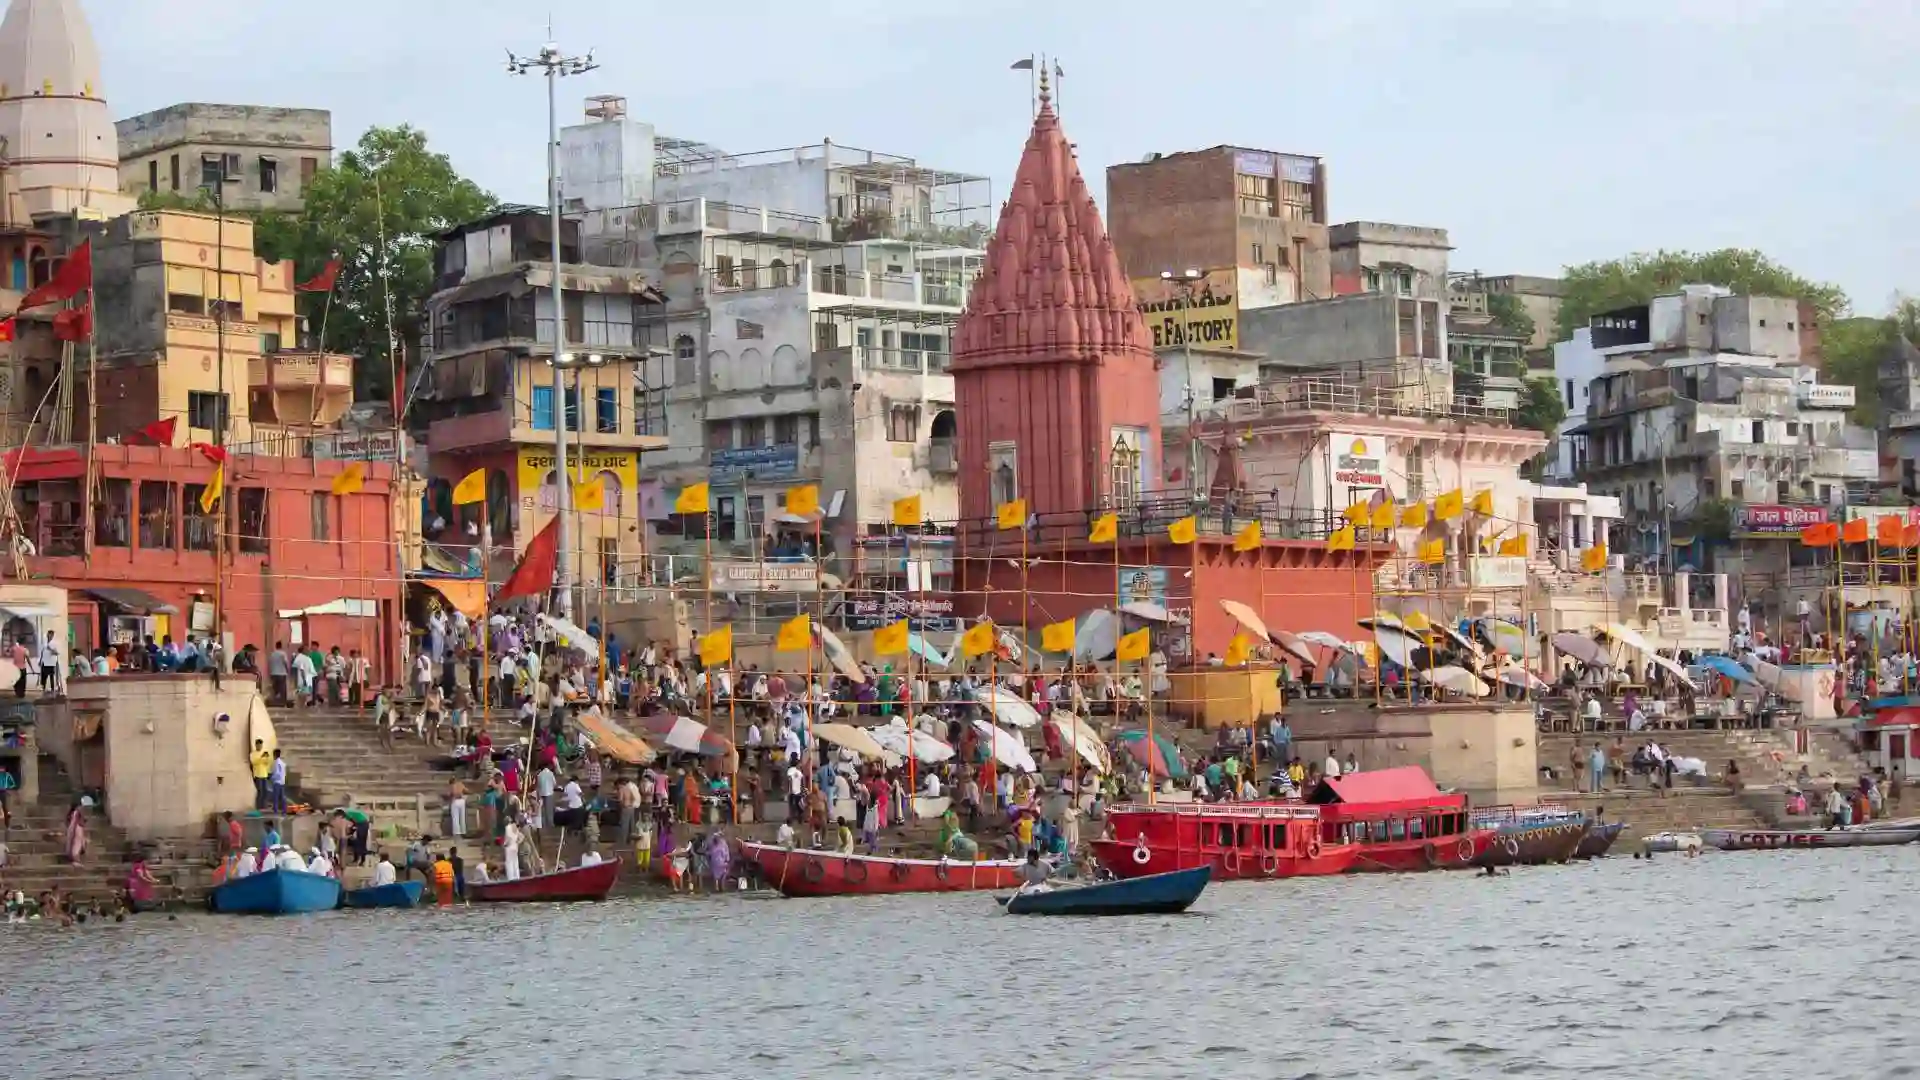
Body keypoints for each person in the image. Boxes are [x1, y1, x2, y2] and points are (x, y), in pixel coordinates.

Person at [249, 740, 272, 810]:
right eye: (258, 745)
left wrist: (267, 758)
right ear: (256, 745)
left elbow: (267, 763)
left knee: (265, 791)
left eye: (261, 745)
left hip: (264, 775)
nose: (260, 746)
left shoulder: (264, 752)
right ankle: (258, 807)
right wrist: (261, 758)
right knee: (260, 792)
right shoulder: (253, 754)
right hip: (257, 775)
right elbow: (254, 762)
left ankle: (264, 806)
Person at [268, 749, 288, 815]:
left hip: (277, 782)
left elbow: (276, 773)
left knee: (275, 797)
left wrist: (271, 778)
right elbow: (284, 773)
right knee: (282, 797)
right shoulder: (283, 763)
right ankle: (284, 811)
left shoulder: (276, 763)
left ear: (275, 755)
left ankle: (275, 811)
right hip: (282, 782)